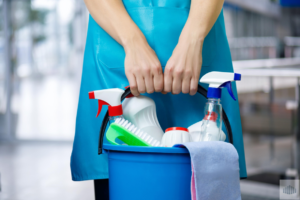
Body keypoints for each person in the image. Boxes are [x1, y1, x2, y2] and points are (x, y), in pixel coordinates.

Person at [71, 0, 247, 199]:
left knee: (209, 172)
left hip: (199, 49)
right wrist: (133, 42)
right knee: (123, 177)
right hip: (116, 46)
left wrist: (192, 39)